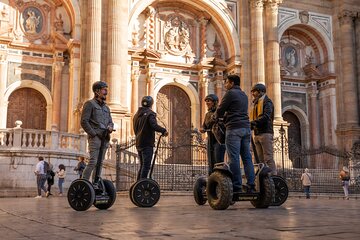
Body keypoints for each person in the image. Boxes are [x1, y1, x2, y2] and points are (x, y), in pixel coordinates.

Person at [214, 75, 256, 193]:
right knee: (247, 157)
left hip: (234, 128)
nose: (225, 85)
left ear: (232, 83)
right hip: (246, 128)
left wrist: (215, 117)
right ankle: (251, 185)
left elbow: (220, 109)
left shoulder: (230, 93)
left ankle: (236, 186)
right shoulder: (244, 94)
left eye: (226, 82)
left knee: (234, 158)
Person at [80, 81, 114, 183]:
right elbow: (84, 121)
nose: (106, 92)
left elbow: (110, 122)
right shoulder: (89, 104)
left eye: (106, 90)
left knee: (100, 163)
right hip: (95, 138)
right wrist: (93, 134)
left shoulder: (106, 108)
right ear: (97, 91)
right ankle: (84, 183)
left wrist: (110, 127)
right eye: (104, 90)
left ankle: (95, 183)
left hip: (105, 138)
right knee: (93, 161)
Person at [133, 96, 168, 180]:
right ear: (151, 104)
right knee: (146, 165)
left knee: (142, 165)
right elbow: (154, 125)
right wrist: (163, 130)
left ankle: (138, 184)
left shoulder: (136, 115)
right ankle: (142, 184)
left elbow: (135, 129)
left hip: (139, 143)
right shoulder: (150, 114)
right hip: (147, 143)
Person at [250, 83, 277, 175]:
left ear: (261, 92)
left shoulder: (267, 102)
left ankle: (273, 176)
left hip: (265, 133)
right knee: (259, 159)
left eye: (255, 91)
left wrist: (253, 123)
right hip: (257, 133)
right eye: (252, 91)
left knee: (268, 157)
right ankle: (263, 178)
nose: (253, 93)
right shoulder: (256, 104)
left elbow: (266, 116)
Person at [201, 94, 226, 175]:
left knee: (218, 160)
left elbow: (223, 123)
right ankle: (211, 177)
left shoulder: (220, 112)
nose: (207, 102)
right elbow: (204, 125)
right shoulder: (207, 114)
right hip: (210, 139)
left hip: (219, 139)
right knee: (210, 161)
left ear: (214, 102)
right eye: (206, 101)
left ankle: (220, 177)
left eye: (209, 101)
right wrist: (202, 129)